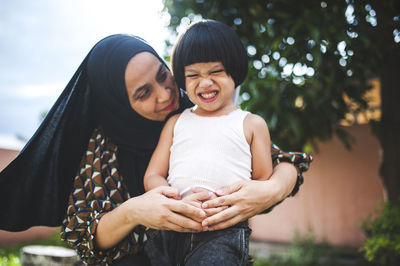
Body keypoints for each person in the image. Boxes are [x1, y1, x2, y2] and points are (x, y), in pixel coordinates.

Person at [0, 34, 312, 265]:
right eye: (143, 93)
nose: (165, 94)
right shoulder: (103, 146)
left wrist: (271, 189)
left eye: (163, 75)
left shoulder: (200, 110)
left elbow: (284, 162)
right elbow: (86, 236)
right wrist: (137, 210)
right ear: (118, 103)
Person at [143, 19, 274, 265]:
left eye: (215, 72)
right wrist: (176, 201)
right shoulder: (176, 122)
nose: (204, 83)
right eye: (193, 75)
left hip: (222, 231)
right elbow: (153, 175)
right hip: (170, 227)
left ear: (234, 72)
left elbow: (262, 181)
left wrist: (227, 199)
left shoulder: (252, 124)